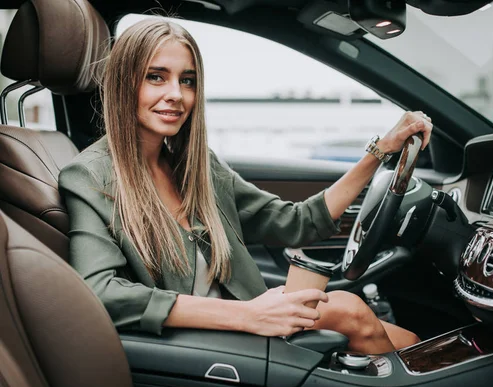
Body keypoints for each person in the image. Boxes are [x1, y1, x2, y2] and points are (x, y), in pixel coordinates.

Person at [58, 18, 433, 355]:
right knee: (352, 311)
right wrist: (247, 315)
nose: (176, 93)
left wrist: (380, 152)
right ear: (124, 83)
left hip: (252, 318)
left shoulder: (196, 164)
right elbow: (99, 292)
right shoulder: (90, 176)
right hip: (203, 341)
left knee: (411, 342)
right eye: (156, 77)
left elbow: (296, 221)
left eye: (187, 80)